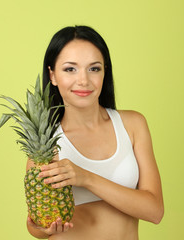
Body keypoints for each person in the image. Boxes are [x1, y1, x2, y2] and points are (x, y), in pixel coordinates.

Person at [26, 25, 164, 240]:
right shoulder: (46, 142)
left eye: (94, 68)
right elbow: (36, 227)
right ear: (52, 75)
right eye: (70, 69)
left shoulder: (132, 124)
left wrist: (87, 178)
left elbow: (154, 211)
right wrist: (42, 228)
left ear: (104, 72)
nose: (83, 80)